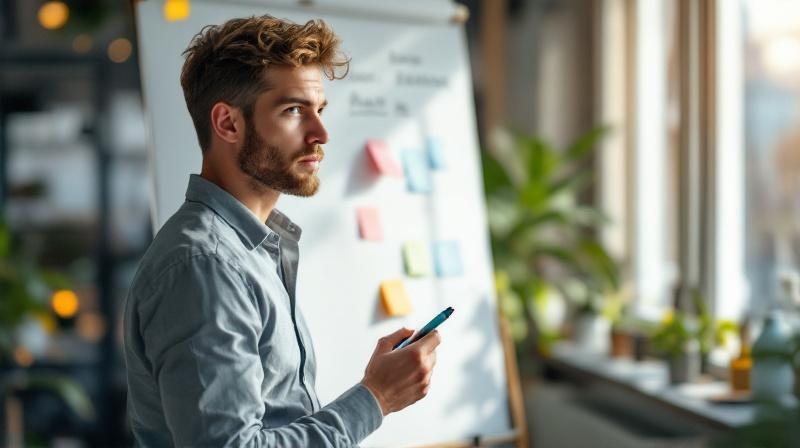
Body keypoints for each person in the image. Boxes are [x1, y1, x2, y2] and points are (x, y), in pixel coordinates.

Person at [123, 15, 440, 447]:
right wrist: (376, 397)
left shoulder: (252, 248)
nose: (321, 133)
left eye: (320, 110)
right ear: (228, 124)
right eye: (294, 110)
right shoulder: (206, 266)